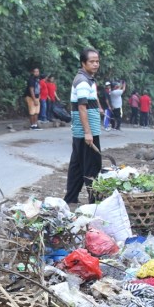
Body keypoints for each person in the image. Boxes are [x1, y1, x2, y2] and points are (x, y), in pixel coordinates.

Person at [64, 47, 102, 205]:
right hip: (86, 132)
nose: (95, 64)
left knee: (77, 166)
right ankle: (95, 203)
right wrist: (88, 132)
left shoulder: (87, 79)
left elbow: (89, 102)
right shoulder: (82, 82)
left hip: (83, 131)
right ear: (83, 63)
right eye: (91, 62)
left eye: (97, 61)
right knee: (92, 166)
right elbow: (81, 107)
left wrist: (99, 108)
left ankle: (70, 198)